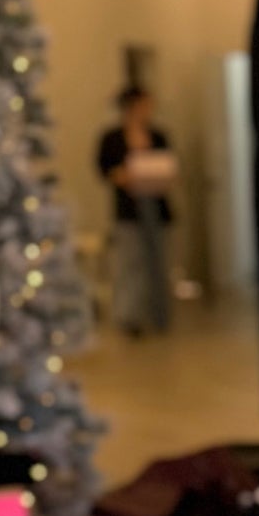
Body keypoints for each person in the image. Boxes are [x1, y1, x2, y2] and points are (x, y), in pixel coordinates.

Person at [96, 84, 174, 336]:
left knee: (159, 263)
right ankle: (130, 317)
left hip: (156, 205)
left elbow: (170, 165)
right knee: (130, 264)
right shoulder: (112, 138)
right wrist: (121, 176)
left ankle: (159, 315)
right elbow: (104, 169)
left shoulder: (158, 136)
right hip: (129, 208)